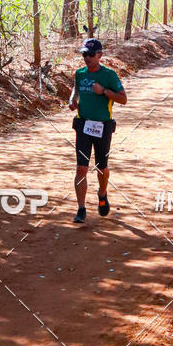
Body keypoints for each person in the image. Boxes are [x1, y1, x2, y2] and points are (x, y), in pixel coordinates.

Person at [68, 38, 127, 224]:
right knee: (81, 168)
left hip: (103, 126)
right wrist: (72, 99)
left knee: (102, 168)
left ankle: (102, 193)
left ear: (100, 55)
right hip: (83, 125)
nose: (87, 58)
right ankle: (81, 209)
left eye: (91, 54)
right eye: (84, 54)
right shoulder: (80, 73)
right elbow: (76, 89)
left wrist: (104, 92)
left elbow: (123, 99)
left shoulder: (109, 75)